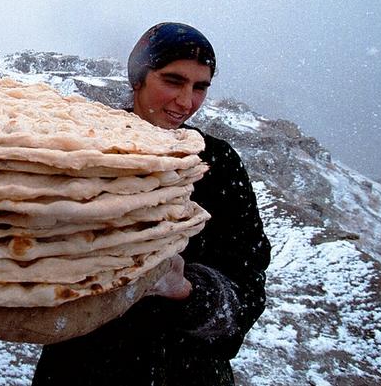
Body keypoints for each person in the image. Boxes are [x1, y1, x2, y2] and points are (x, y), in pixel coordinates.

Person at [31, 22, 271, 385]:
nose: (186, 102)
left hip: (188, 373)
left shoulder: (216, 165)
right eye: (173, 81)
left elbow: (247, 287)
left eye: (200, 87)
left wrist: (188, 288)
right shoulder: (86, 151)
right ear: (138, 78)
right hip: (83, 368)